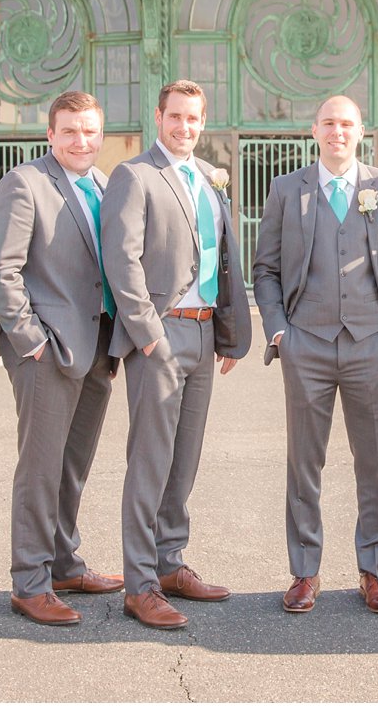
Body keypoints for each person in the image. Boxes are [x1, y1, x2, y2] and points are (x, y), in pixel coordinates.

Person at [252, 95, 378, 615]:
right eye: (329, 123)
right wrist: (280, 332)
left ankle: (373, 570)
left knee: (373, 463)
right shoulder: (287, 190)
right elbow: (266, 270)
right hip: (308, 344)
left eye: (347, 123)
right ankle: (305, 572)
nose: (338, 131)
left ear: (361, 130)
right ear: (314, 129)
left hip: (372, 343)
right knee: (305, 463)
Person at [102, 80, 253, 630]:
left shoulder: (210, 184)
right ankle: (139, 584)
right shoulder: (135, 176)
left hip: (204, 334)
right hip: (160, 335)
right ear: (159, 118)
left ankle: (170, 562)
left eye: (193, 119)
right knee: (150, 461)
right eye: (175, 118)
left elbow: (225, 260)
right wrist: (147, 335)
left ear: (202, 122)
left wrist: (230, 336)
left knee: (183, 459)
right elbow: (122, 261)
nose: (184, 128)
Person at [0, 90, 124, 628]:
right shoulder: (26, 184)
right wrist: (30, 339)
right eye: (69, 131)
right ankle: (30, 581)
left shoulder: (107, 187)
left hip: (99, 349)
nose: (80, 140)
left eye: (89, 131)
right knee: (40, 469)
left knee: (72, 466)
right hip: (47, 352)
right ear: (50, 134)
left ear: (100, 135)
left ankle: (64, 563)